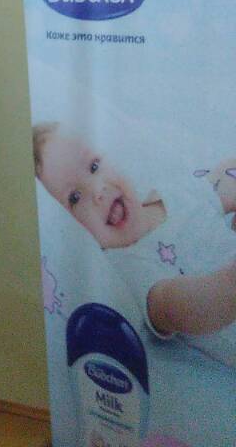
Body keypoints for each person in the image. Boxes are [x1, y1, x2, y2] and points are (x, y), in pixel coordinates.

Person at [34, 122, 236, 369]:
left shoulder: (172, 194)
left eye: (94, 167)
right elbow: (181, 309)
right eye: (75, 198)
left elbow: (223, 180)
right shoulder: (128, 267)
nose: (98, 191)